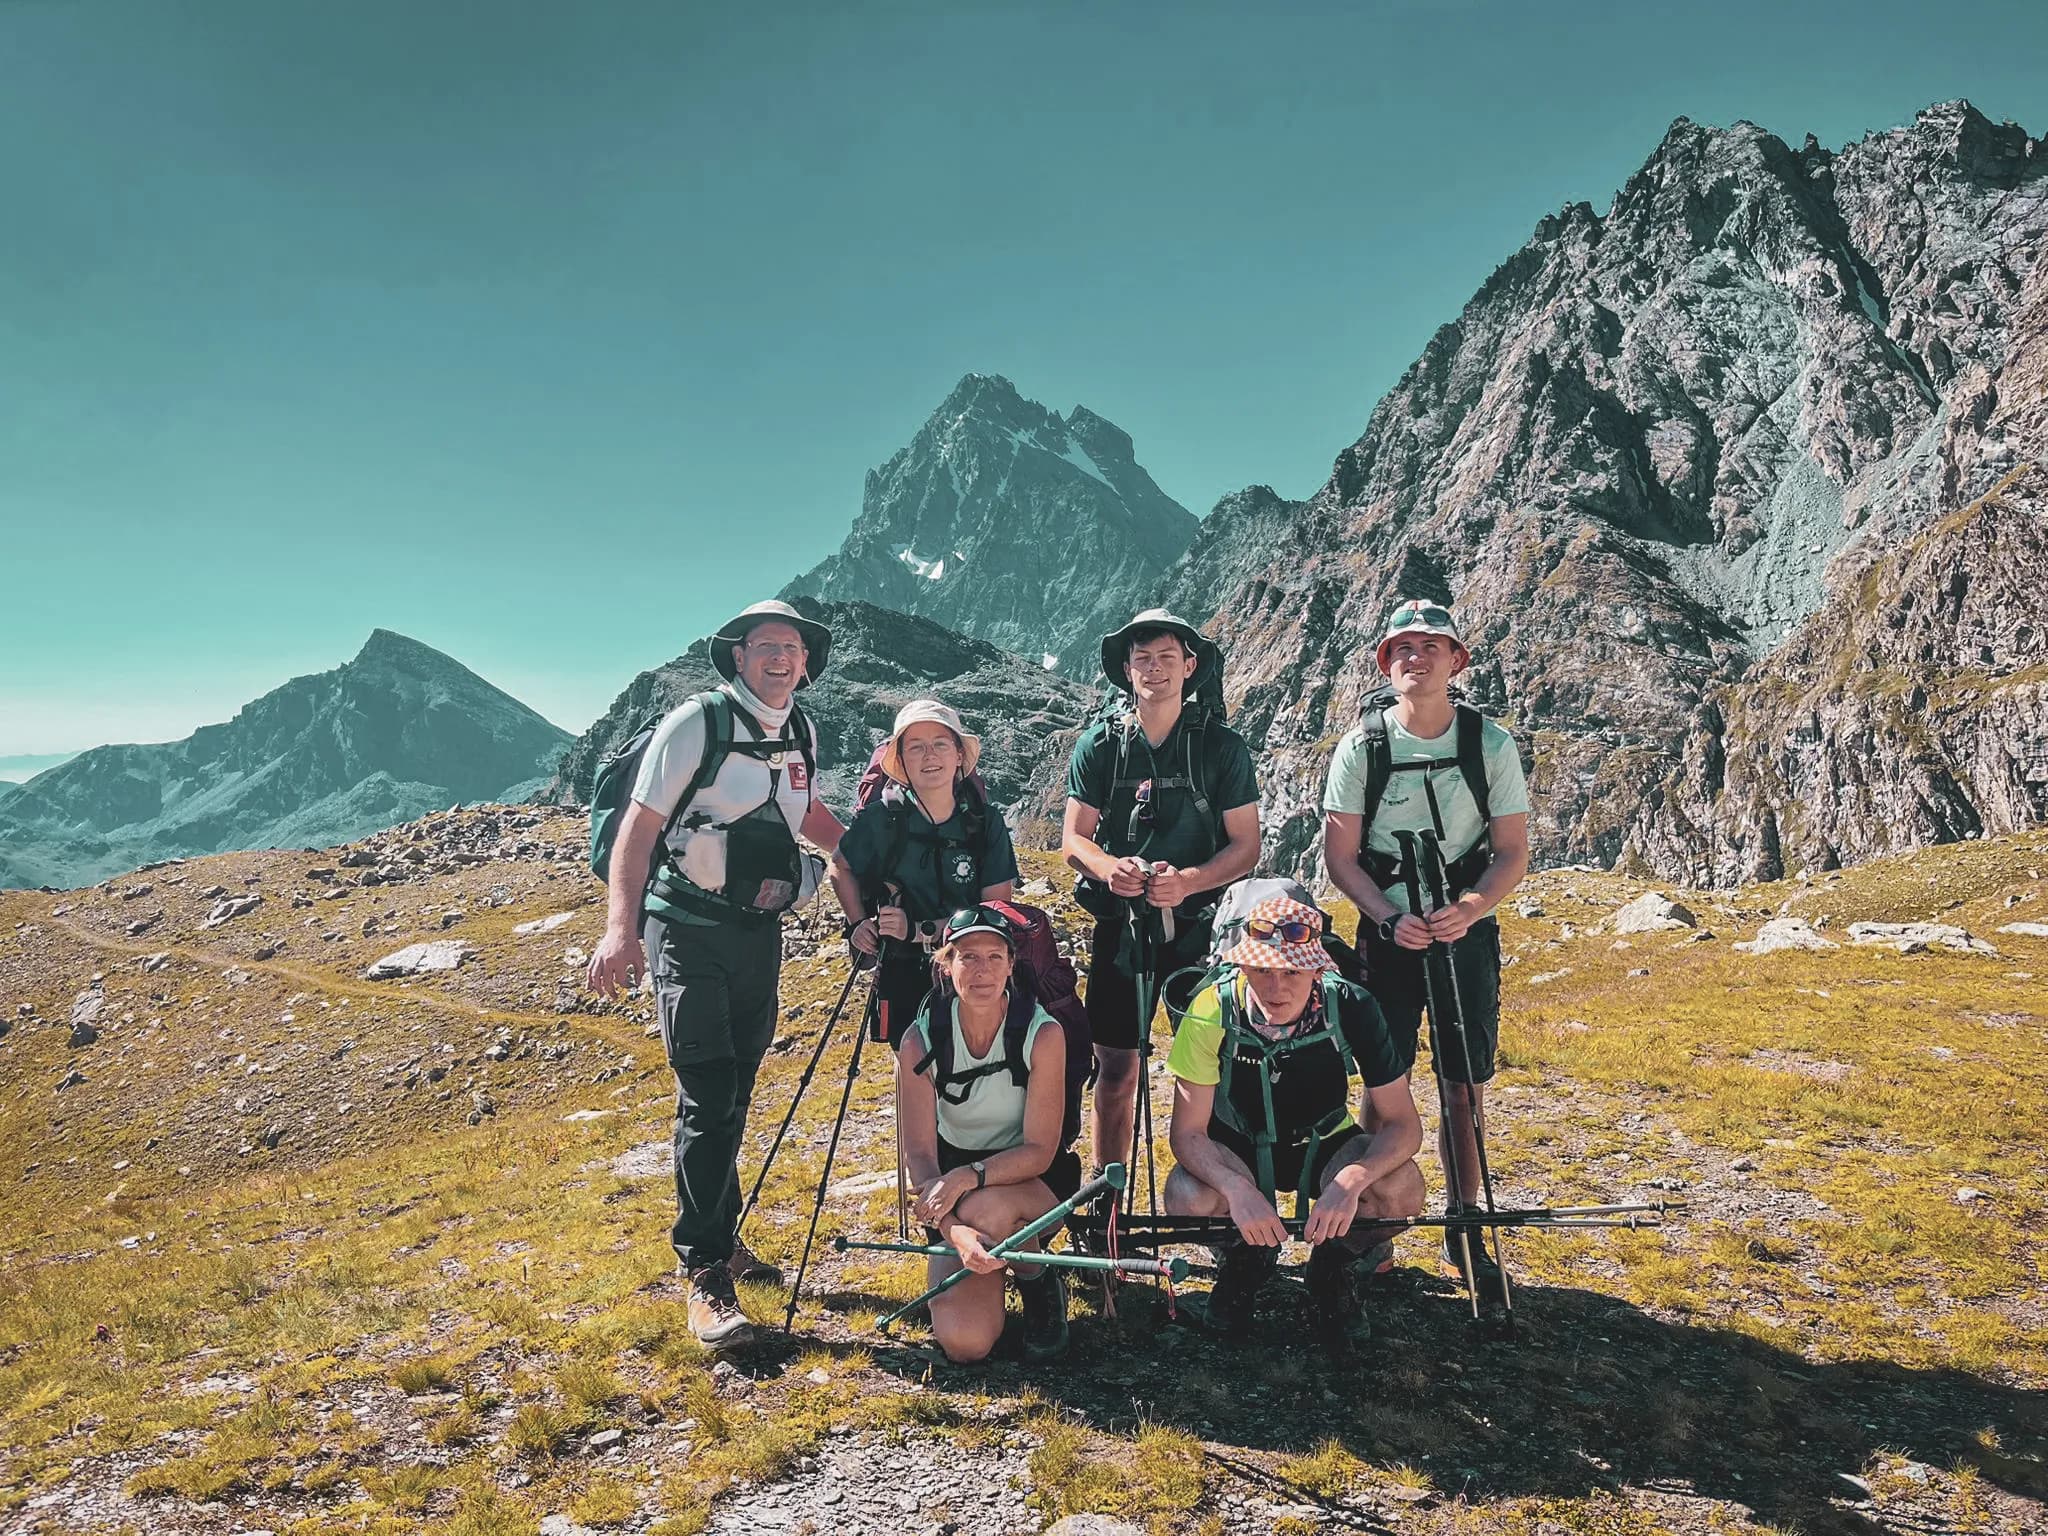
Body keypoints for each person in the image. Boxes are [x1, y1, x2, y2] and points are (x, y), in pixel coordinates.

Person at [586, 599, 846, 1349]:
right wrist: (619, 930)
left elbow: (805, 816)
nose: (780, 658)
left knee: (734, 1088)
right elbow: (639, 829)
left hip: (757, 937)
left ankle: (722, 1238)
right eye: (765, 646)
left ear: (806, 662)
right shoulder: (694, 723)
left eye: (792, 648)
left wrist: (861, 855)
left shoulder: (801, 728)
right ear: (737, 656)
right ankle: (705, 1274)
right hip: (685, 933)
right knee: (706, 1093)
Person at [1320, 599, 1530, 1294]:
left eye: (1430, 646)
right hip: (1389, 936)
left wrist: (1467, 911)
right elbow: (1341, 856)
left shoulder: (1490, 745)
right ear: (1387, 663)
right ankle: (1371, 1225)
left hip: (1461, 933)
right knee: (1384, 1084)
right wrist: (1386, 919)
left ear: (1456, 660)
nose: (1416, 657)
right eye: (1402, 648)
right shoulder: (1363, 747)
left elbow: (1511, 852)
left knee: (1462, 1082)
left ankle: (1464, 1223)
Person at [1164, 890, 1425, 1339]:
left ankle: (1331, 1268)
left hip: (1326, 1143)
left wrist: (1351, 1182)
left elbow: (1404, 1125)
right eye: (1261, 970)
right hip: (1236, 1145)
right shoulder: (1209, 1009)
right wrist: (1235, 1188)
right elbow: (1187, 1134)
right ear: (1241, 965)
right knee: (1187, 1196)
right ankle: (1244, 1260)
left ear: (1317, 969)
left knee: (1401, 1190)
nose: (1276, 987)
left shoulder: (1354, 1006)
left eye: (1291, 971)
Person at [1061, 609, 1261, 1181]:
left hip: (1201, 930)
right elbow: (1074, 840)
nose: (1154, 669)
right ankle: (1109, 1198)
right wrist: (1110, 871)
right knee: (1116, 1067)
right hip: (1120, 927)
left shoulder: (1222, 749)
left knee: (1210, 1067)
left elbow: (1246, 846)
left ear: (1189, 666)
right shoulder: (1099, 746)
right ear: (1126, 670)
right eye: (1142, 659)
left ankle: (1221, 1199)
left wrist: (1188, 883)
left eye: (1166, 658)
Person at [897, 906, 1078, 1364]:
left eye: (995, 957)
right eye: (968, 957)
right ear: (946, 964)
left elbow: (1039, 1151)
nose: (983, 971)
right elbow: (918, 1156)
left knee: (987, 1207)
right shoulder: (919, 1042)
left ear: (1011, 966)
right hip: (958, 1205)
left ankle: (1038, 1287)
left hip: (1032, 1187)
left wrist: (965, 1179)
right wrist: (952, 1230)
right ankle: (1008, 1259)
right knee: (965, 1344)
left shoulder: (1043, 1035)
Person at [830, 700, 1018, 1044]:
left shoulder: (985, 823)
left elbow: (995, 913)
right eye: (916, 747)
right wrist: (858, 924)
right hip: (900, 973)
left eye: (940, 744)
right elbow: (839, 866)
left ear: (959, 755)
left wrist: (916, 931)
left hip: (970, 967)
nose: (929, 756)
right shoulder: (879, 820)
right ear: (901, 761)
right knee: (913, 1068)